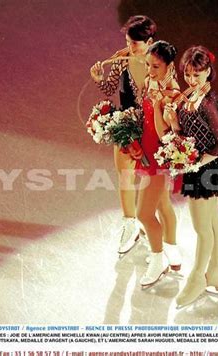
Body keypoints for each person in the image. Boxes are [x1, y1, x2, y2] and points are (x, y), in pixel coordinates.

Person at [165, 45, 218, 307]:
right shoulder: (188, 97)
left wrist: (193, 165)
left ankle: (197, 278)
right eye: (188, 74)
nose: (191, 80)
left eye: (197, 74)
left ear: (208, 72)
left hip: (207, 169)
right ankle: (216, 271)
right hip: (197, 167)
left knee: (202, 229)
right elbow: (186, 132)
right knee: (213, 221)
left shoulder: (208, 102)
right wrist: (173, 122)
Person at [90, 15, 156, 256]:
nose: (130, 48)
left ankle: (149, 221)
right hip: (126, 123)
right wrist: (99, 80)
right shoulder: (121, 59)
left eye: (135, 44)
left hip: (153, 125)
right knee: (125, 174)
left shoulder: (158, 62)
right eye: (128, 42)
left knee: (153, 177)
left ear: (149, 41)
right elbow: (110, 89)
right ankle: (130, 225)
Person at [128, 40, 182, 287]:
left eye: (156, 67)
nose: (150, 71)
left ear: (170, 67)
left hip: (160, 159)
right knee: (162, 205)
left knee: (143, 214)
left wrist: (160, 103)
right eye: (148, 65)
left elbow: (165, 135)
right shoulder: (152, 83)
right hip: (147, 152)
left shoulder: (172, 95)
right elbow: (144, 118)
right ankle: (172, 251)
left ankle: (158, 260)